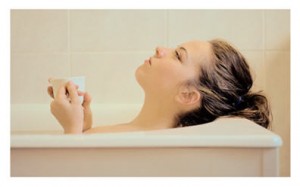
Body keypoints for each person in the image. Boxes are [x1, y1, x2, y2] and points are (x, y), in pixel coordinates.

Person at [47, 39, 271, 134]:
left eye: (177, 56)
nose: (160, 49)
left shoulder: (152, 150)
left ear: (187, 95)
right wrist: (83, 126)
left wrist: (72, 132)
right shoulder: (137, 133)